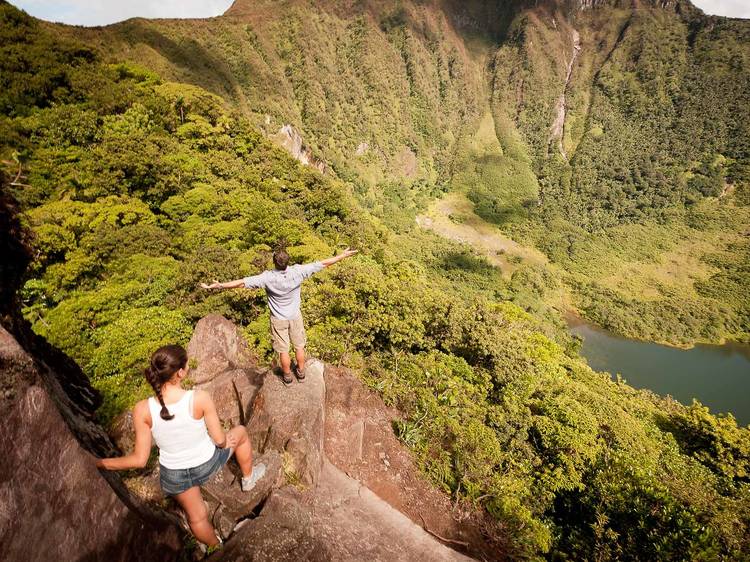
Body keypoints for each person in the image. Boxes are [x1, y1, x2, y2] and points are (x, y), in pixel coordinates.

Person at [96, 345, 265, 548]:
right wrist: (223, 443)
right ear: (181, 372)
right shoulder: (199, 398)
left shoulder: (142, 409)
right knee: (241, 433)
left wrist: (101, 463)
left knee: (197, 518)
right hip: (206, 464)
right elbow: (220, 439)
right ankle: (248, 480)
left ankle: (218, 547)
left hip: (175, 476)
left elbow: (139, 460)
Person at [201, 246, 357, 384]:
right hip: (295, 316)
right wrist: (342, 255)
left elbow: (241, 282)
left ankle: (287, 376)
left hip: (278, 319)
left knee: (283, 350)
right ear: (287, 262)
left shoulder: (267, 277)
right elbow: (323, 263)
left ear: (274, 262)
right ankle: (301, 373)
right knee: (299, 346)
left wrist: (220, 285)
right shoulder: (298, 271)